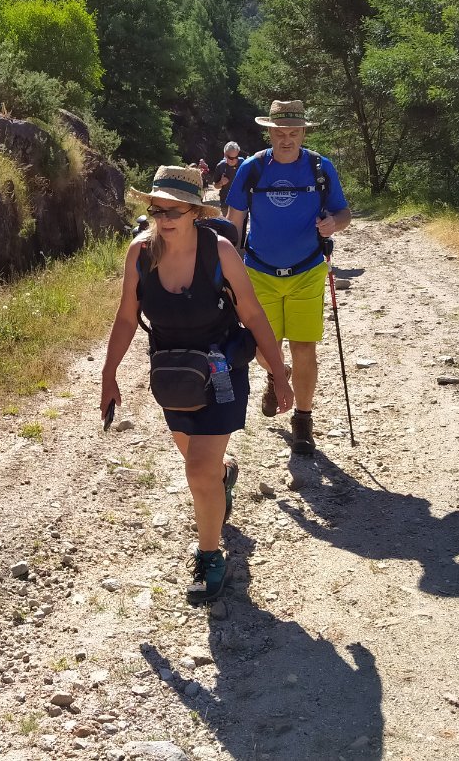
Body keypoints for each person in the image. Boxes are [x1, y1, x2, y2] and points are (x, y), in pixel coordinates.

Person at [100, 166, 292, 603]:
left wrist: (278, 374)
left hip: (222, 371)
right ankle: (224, 477)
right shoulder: (140, 253)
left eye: (174, 210)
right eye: (157, 210)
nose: (164, 219)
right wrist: (109, 374)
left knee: (196, 469)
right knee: (199, 462)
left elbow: (253, 314)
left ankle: (209, 558)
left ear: (195, 213)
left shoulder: (219, 252)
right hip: (174, 375)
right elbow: (127, 317)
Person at [225, 100, 352, 455]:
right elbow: (234, 223)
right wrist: (228, 268)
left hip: (307, 271)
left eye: (294, 132)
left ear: (303, 133)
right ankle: (276, 373)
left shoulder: (320, 167)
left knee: (304, 347)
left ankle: (303, 421)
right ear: (269, 132)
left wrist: (334, 223)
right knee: (261, 348)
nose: (287, 139)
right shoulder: (252, 168)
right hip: (258, 272)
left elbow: (344, 213)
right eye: (280, 133)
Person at [212, 141, 243, 208]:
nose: (234, 160)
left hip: (240, 203)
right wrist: (221, 183)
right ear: (225, 155)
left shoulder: (243, 163)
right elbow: (215, 186)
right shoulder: (221, 166)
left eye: (236, 157)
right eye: (231, 158)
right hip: (225, 203)